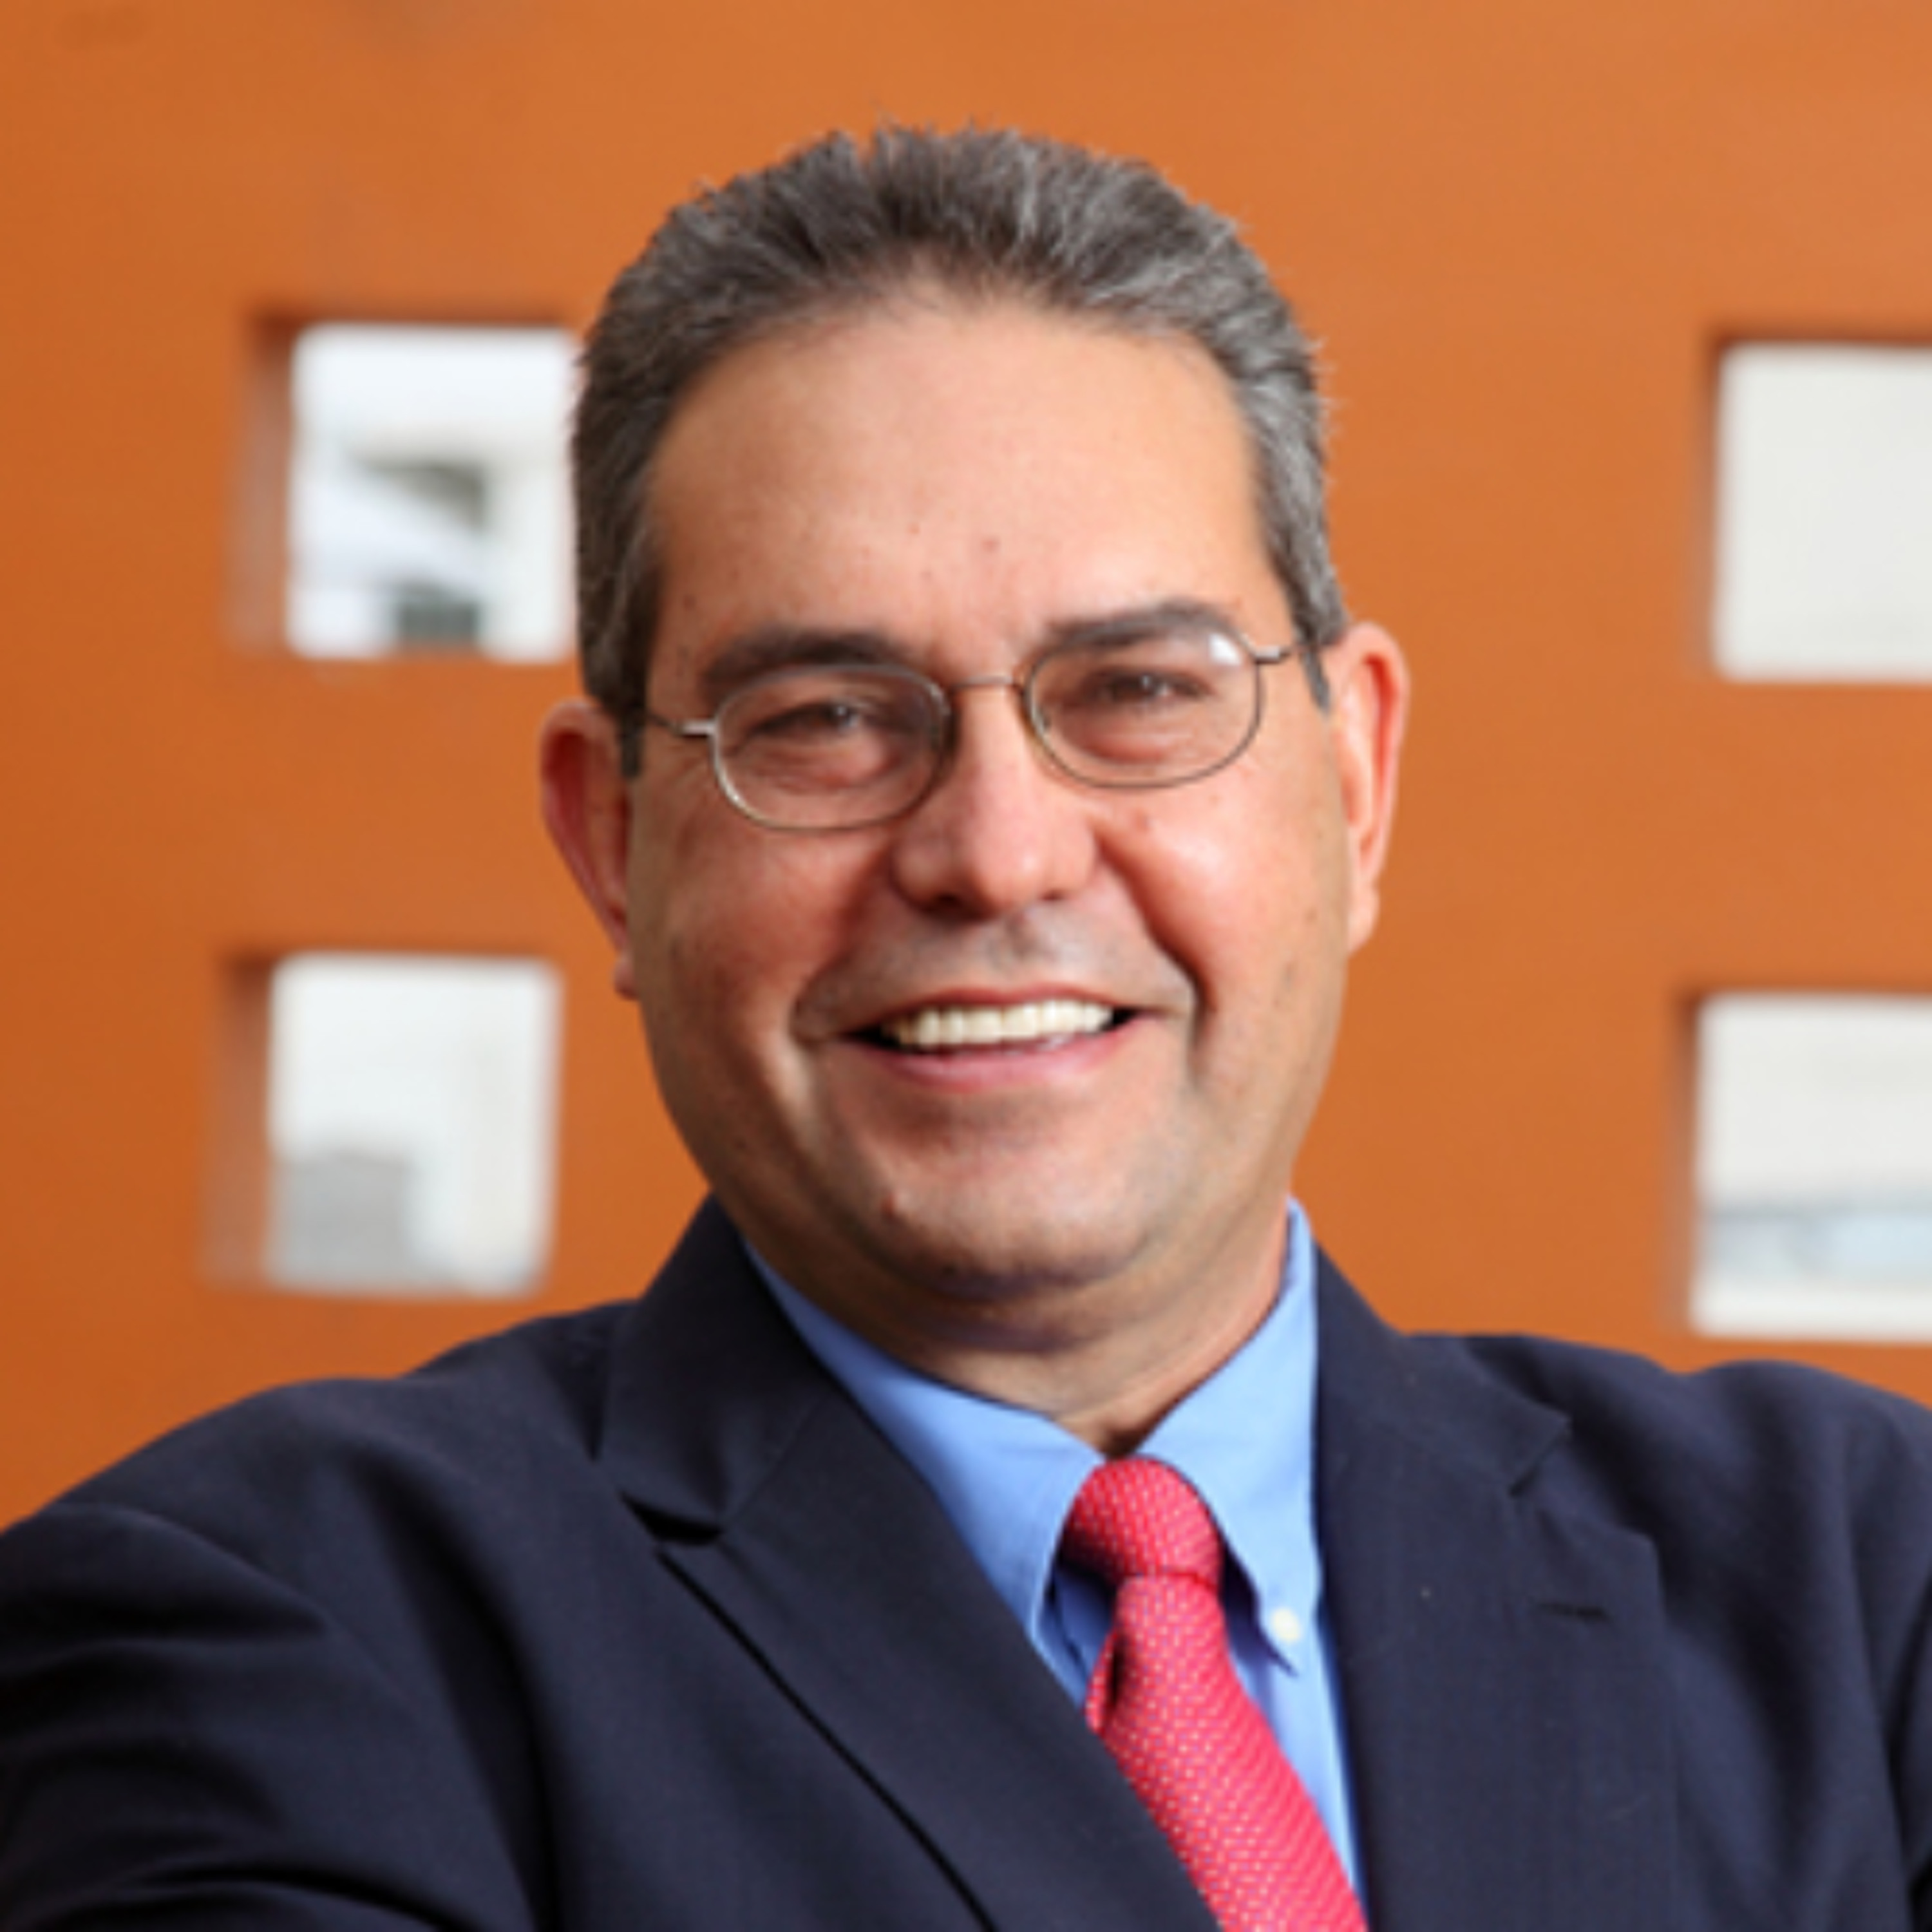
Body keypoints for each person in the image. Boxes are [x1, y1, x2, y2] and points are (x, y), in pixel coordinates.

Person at [3, 125, 1931, 1932]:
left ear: (1355, 786)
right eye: (827, 721)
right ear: (613, 842)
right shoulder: (266, 1630)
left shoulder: (1863, 1588)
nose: (997, 852)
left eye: (1139, 690)